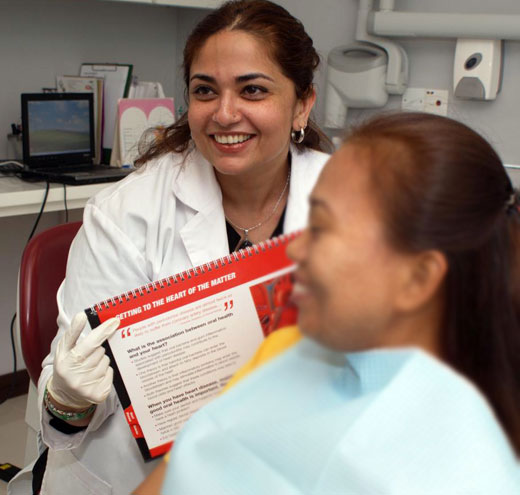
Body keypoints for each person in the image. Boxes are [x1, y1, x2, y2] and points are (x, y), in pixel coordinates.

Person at [8, 2, 331, 494]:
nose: (225, 113)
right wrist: (71, 397)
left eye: (253, 89)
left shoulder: (353, 204)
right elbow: (68, 419)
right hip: (136, 474)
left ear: (302, 104)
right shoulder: (126, 214)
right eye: (205, 90)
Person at [142, 112, 520, 494]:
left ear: (417, 278)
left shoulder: (465, 468)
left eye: (322, 228)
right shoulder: (287, 353)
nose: (296, 249)